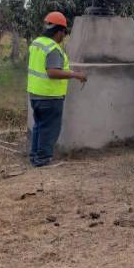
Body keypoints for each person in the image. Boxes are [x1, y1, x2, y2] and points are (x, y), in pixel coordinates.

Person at [26, 11, 87, 167]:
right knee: (49, 129)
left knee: (39, 127)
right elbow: (52, 72)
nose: (63, 36)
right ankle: (43, 159)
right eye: (64, 32)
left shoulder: (36, 43)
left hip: (35, 94)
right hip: (50, 96)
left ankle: (35, 156)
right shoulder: (53, 49)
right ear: (59, 30)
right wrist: (75, 75)